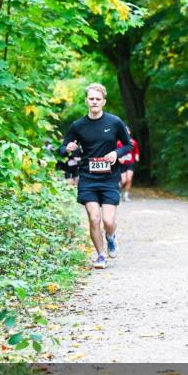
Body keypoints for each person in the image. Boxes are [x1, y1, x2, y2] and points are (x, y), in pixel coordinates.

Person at [59, 84, 132, 269]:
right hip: (88, 178)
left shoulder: (115, 122)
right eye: (91, 98)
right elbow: (63, 148)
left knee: (108, 221)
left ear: (103, 102)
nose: (94, 102)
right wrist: (67, 148)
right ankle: (100, 255)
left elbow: (128, 145)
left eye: (98, 99)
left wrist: (116, 153)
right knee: (94, 218)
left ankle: (111, 236)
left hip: (109, 178)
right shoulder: (78, 125)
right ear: (86, 101)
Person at [117, 130, 140, 202]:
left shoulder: (133, 142)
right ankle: (118, 192)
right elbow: (115, 152)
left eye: (127, 132)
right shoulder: (119, 143)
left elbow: (136, 151)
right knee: (123, 181)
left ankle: (126, 195)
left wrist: (137, 156)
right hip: (122, 164)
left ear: (129, 133)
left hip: (130, 163)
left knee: (129, 179)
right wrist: (119, 158)